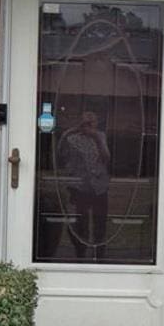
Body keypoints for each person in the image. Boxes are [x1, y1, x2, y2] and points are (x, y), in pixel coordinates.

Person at [59, 111, 110, 261]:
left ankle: (100, 255)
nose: (88, 126)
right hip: (79, 186)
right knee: (80, 222)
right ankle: (80, 254)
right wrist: (71, 131)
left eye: (92, 122)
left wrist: (96, 138)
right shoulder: (71, 137)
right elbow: (60, 155)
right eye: (85, 123)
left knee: (100, 222)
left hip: (99, 186)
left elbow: (107, 159)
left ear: (96, 123)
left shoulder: (101, 136)